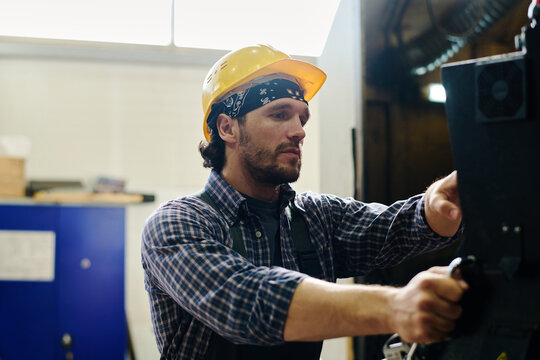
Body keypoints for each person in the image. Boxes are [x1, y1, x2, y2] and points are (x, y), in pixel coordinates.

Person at [141, 44, 467, 360]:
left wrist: (436, 205)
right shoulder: (177, 224)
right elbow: (246, 301)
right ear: (228, 127)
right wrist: (394, 307)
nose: (299, 132)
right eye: (280, 114)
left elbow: (391, 229)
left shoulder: (315, 217)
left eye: (302, 118)